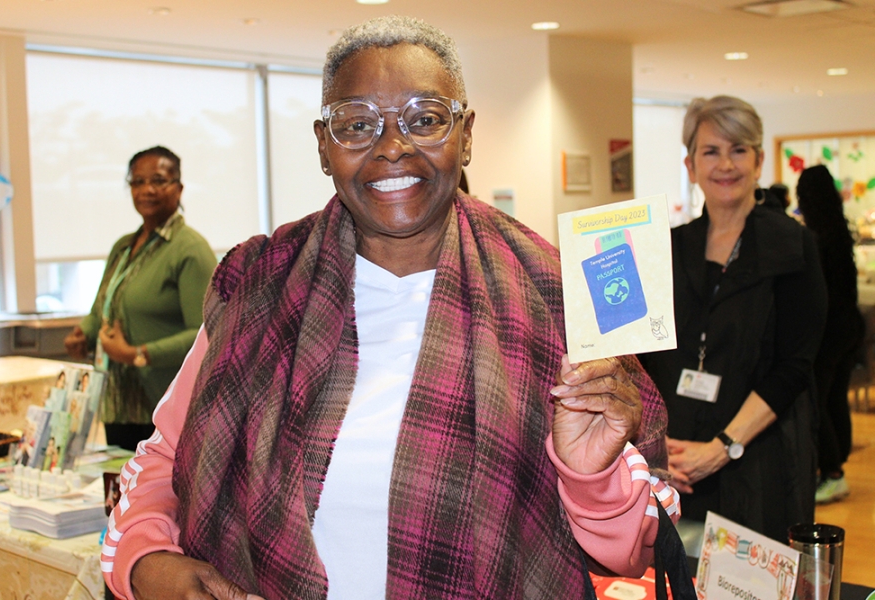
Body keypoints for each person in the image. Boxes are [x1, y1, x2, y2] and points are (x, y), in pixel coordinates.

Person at [101, 16, 681, 600]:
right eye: (356, 124)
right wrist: (146, 560)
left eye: (425, 120)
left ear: (466, 133)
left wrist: (591, 474)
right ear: (324, 146)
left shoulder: (554, 292)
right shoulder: (258, 284)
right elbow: (164, 457)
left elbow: (640, 548)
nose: (393, 147)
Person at [639, 95, 826, 543]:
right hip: (673, 466)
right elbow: (641, 359)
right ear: (690, 166)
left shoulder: (793, 247)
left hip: (758, 466)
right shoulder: (666, 248)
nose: (726, 164)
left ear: (759, 161)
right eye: (711, 151)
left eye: (739, 149)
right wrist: (656, 449)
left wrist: (722, 449)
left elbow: (793, 369)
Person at [63, 146, 217, 452]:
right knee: (120, 494)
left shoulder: (190, 249)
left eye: (159, 181)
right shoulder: (123, 246)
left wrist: (137, 353)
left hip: (165, 404)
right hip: (120, 402)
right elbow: (102, 309)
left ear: (179, 188)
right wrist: (84, 333)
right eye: (137, 182)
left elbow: (206, 333)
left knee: (157, 498)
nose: (147, 190)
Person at [796, 164, 865, 503]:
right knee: (835, 398)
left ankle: (832, 471)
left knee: (817, 402)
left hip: (829, 333)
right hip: (849, 327)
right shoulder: (838, 231)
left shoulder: (815, 239)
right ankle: (837, 469)